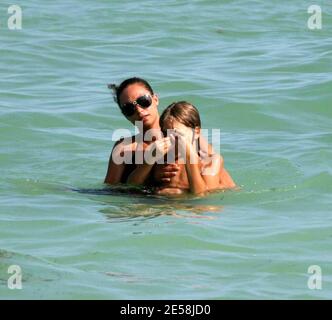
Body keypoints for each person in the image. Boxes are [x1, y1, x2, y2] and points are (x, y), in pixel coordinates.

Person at [104, 77, 235, 194]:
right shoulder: (125, 148)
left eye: (143, 101)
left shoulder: (184, 133)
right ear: (124, 114)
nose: (139, 110)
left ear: (155, 99)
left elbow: (221, 179)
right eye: (128, 108)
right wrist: (151, 175)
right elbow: (110, 191)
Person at [127, 101, 236, 196]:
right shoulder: (157, 157)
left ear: (196, 132)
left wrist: (189, 157)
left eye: (176, 133)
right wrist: (149, 161)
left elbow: (202, 198)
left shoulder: (210, 162)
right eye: (165, 133)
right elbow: (132, 187)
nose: (170, 138)